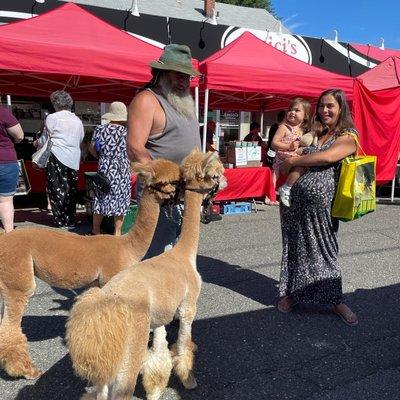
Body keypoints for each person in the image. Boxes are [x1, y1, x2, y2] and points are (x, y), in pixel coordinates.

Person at [277, 88, 359, 326]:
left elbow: (327, 157)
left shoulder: (348, 135)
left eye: (330, 106)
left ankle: (335, 301)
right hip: (294, 203)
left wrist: (292, 161)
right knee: (296, 247)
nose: (324, 110)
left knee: (325, 251)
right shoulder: (317, 132)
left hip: (322, 207)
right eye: (321, 105)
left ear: (341, 108)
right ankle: (295, 294)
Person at [127, 43, 201, 258]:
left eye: (186, 76)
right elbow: (134, 148)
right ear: (161, 73)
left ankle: (169, 291)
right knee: (154, 254)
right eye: (177, 75)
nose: (183, 81)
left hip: (186, 191)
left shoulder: (184, 103)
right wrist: (164, 182)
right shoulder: (147, 100)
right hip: (159, 192)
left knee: (178, 252)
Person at [34, 90, 84, 229]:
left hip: (56, 155)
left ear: (55, 104)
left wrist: (37, 143)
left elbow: (45, 139)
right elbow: (80, 139)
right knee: (71, 189)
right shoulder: (77, 120)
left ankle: (61, 220)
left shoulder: (52, 118)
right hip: (73, 157)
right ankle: (70, 220)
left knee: (56, 188)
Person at [88, 102, 131, 236]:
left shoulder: (100, 129)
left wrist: (101, 157)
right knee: (121, 200)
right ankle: (117, 232)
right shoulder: (128, 132)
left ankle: (95, 230)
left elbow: (92, 149)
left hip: (105, 168)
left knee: (100, 197)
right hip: (122, 169)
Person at [271, 98, 311, 206]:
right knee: (274, 175)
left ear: (305, 116)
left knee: (303, 168)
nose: (292, 112)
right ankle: (269, 196)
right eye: (290, 110)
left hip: (294, 157)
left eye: (297, 110)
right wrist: (288, 146)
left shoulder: (303, 130)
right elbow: (274, 143)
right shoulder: (284, 127)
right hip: (281, 157)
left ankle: (293, 191)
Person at [0, 105, 24, 232]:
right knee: (5, 200)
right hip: (5, 160)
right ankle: (9, 233)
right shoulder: (3, 113)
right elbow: (19, 135)